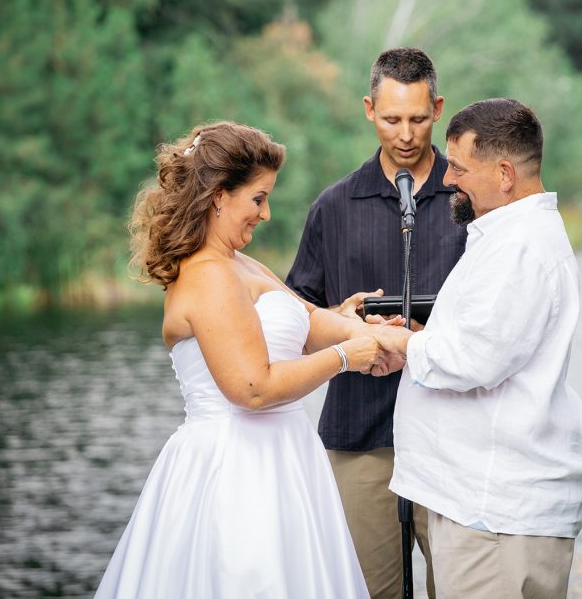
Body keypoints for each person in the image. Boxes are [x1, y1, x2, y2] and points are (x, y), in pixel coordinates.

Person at [96, 121, 403, 598]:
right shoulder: (207, 274)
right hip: (237, 471)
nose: (266, 214)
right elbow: (252, 389)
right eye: (258, 199)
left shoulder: (242, 265)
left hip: (285, 462)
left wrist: (365, 329)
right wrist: (348, 356)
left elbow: (310, 322)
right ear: (219, 195)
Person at [370, 99, 582, 598]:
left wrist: (393, 339)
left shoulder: (521, 248)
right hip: (481, 504)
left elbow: (475, 359)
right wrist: (415, 345)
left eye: (460, 167)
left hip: (495, 512)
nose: (449, 179)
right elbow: (478, 341)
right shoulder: (507, 237)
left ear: (504, 173)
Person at [286, 47, 467, 598]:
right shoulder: (333, 206)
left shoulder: (471, 202)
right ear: (368, 109)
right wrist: (341, 323)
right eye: (392, 119)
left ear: (438, 107)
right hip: (361, 440)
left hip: (454, 440)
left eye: (418, 118)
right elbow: (294, 317)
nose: (406, 134)